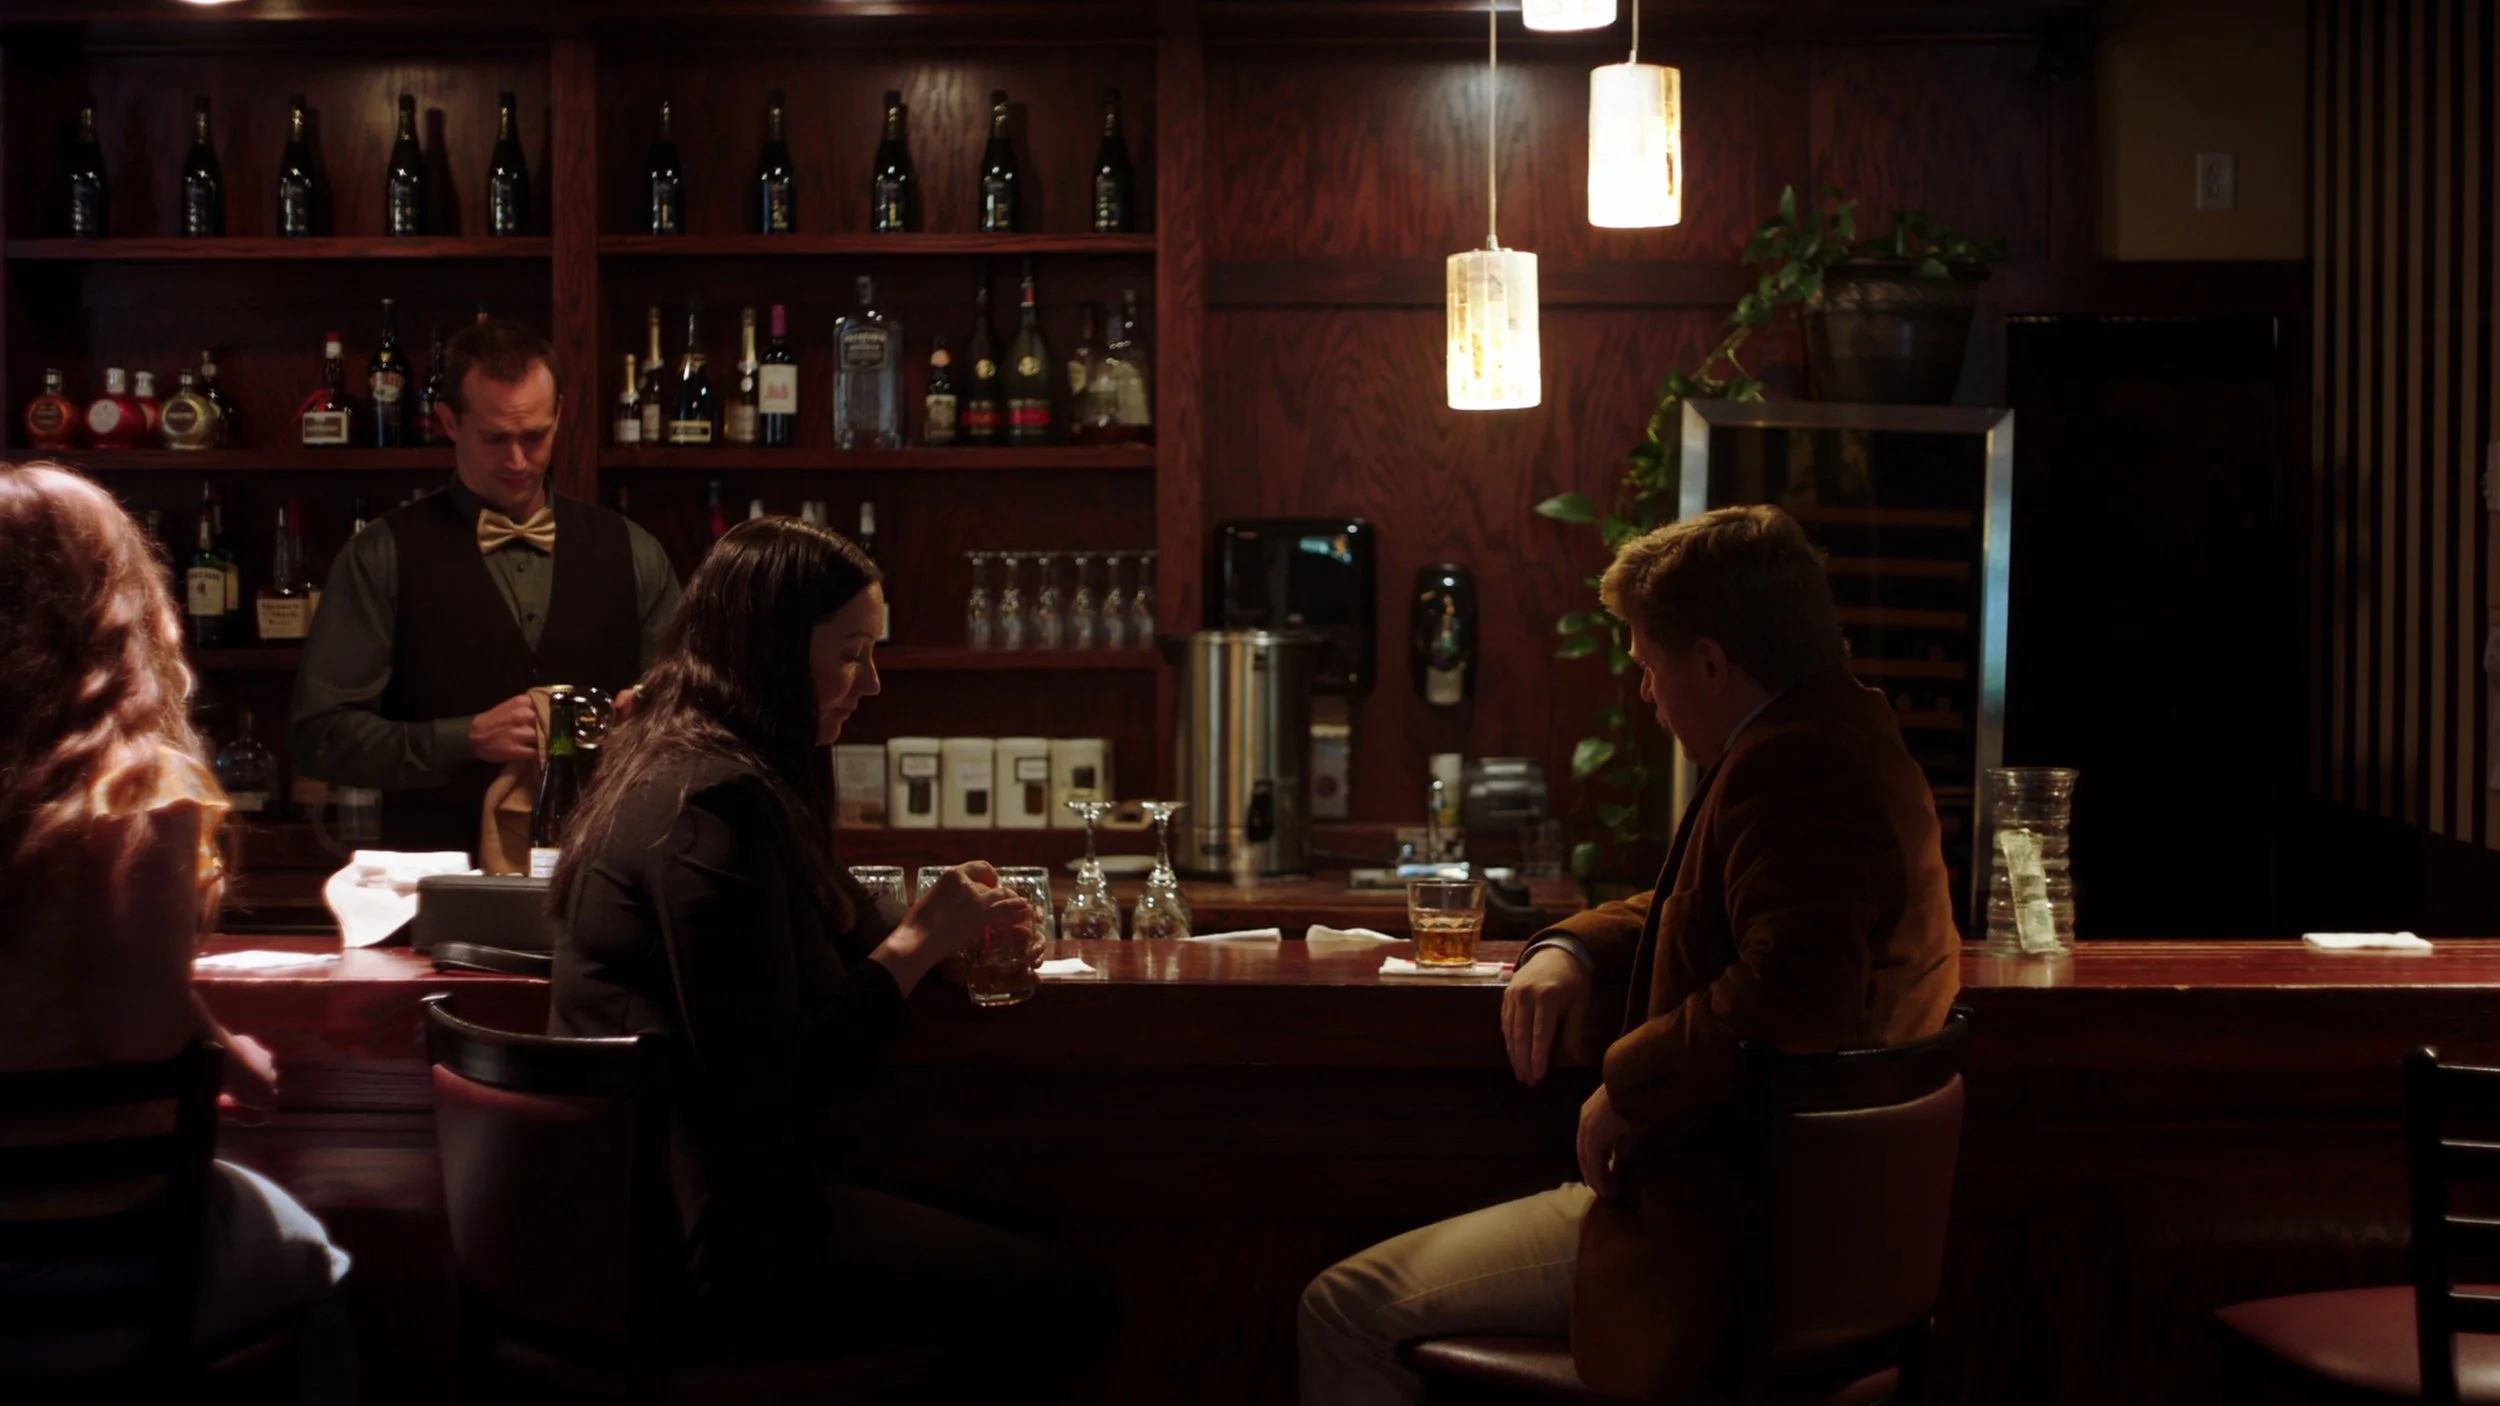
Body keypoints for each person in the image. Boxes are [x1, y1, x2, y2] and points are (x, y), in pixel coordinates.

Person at [1300, 505, 1962, 1403]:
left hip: (1720, 1242)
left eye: (1650, 667)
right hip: (1826, 1233)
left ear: (1712, 663)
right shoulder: (1851, 732)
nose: (1646, 695)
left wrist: (1626, 1084)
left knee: (1342, 1307)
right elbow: (1713, 908)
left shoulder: (1788, 765)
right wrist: (1571, 943)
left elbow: (1795, 990)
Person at [548, 516, 1115, 1398]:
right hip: (705, 1246)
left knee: (1034, 1234)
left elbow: (836, 912)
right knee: (1072, 1288)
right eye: (852, 654)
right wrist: (917, 946)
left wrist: (942, 943)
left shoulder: (691, 767)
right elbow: (772, 1082)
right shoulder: (712, 805)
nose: (874, 683)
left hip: (639, 1216)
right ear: (771, 650)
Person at [0, 462, 353, 1394]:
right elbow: (138, 1028)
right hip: (92, 1259)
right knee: (321, 1264)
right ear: (109, 599)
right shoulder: (132, 786)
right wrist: (233, 1054)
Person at [290, 317, 682, 856]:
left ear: (561, 414)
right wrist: (465, 737)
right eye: (495, 438)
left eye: (535, 436)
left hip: (603, 877)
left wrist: (647, 719)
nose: (518, 460)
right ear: (449, 421)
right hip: (431, 890)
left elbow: (691, 716)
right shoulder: (381, 555)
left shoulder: (634, 550)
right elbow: (320, 738)